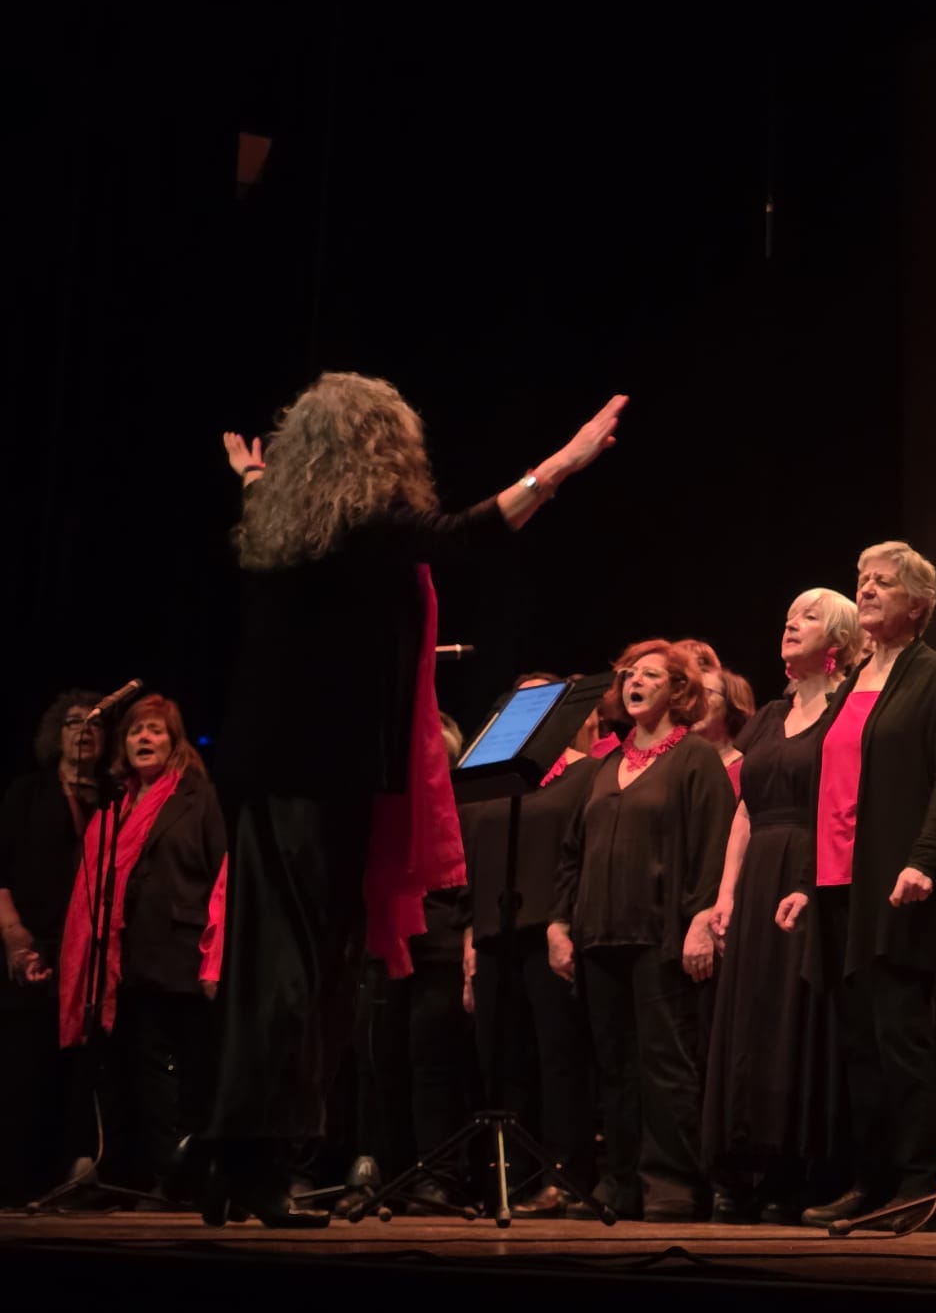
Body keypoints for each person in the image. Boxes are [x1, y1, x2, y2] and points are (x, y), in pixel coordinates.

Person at [207, 372, 625, 1227]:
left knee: (277, 972)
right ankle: (253, 1160)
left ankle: (236, 1157)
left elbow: (273, 507)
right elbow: (470, 532)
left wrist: (253, 478)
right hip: (319, 775)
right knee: (304, 976)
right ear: (379, 445)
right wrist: (565, 465)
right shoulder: (365, 527)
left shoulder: (285, 530)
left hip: (274, 774)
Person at [777, 542, 936, 1230]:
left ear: (916, 604)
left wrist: (924, 856)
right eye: (862, 581)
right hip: (836, 886)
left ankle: (920, 1183)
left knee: (901, 1039)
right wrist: (804, 880)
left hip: (895, 883)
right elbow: (826, 789)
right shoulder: (854, 678)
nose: (866, 591)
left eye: (883, 583)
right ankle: (872, 1178)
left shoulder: (934, 675)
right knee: (857, 1043)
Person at [548, 639, 736, 1221]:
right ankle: (620, 1183)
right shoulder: (607, 766)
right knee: (615, 1066)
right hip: (600, 936)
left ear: (677, 691)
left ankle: (673, 1184)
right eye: (629, 674)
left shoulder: (694, 759)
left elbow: (712, 845)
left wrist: (701, 921)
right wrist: (559, 923)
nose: (633, 681)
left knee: (666, 1063)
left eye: (649, 675)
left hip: (661, 937)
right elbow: (572, 854)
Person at [705, 589, 863, 1223]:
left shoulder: (848, 709)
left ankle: (796, 1172)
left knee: (799, 1019)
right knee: (751, 1017)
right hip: (758, 874)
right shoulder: (768, 716)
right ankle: (742, 1166)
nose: (791, 623)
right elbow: (745, 807)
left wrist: (814, 876)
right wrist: (725, 893)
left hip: (811, 867)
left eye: (809, 616)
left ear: (840, 642)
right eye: (789, 614)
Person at [57, 695, 226, 1200]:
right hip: (126, 962)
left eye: (155, 731)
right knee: (135, 1072)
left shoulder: (199, 798)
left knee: (183, 1070)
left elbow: (224, 876)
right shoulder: (115, 808)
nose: (143, 739)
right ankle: (153, 1177)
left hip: (181, 955)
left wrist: (215, 956)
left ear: (175, 743)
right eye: (135, 732)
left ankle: (190, 1177)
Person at [459, 675, 600, 1217]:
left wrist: (564, 922)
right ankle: (508, 1181)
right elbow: (474, 859)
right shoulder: (490, 779)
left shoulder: (586, 774)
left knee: (558, 1059)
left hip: (549, 930)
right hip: (494, 932)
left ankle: (564, 1176)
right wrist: (471, 935)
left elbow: (578, 853)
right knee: (503, 1061)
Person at [0, 691, 106, 1203]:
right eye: (72, 721)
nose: (83, 729)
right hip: (31, 949)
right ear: (55, 734)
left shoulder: (112, 797)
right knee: (24, 1071)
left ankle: (73, 1184)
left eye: (94, 723)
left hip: (89, 960)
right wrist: (15, 938)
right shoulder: (27, 793)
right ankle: (18, 1183)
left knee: (80, 1077)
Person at [694, 666, 758, 797]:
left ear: (731, 703)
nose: (693, 702)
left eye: (705, 693)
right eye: (692, 694)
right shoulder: (684, 764)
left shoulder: (750, 767)